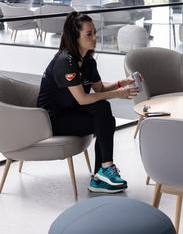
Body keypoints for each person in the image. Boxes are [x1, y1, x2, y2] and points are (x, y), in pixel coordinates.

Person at [37, 12, 138, 193]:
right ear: (75, 37)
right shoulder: (65, 61)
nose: (94, 38)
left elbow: (99, 89)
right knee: (104, 112)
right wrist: (118, 94)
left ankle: (101, 173)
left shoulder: (88, 61)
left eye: (95, 33)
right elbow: (82, 99)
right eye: (89, 34)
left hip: (71, 111)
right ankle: (103, 172)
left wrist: (123, 82)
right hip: (51, 120)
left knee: (105, 116)